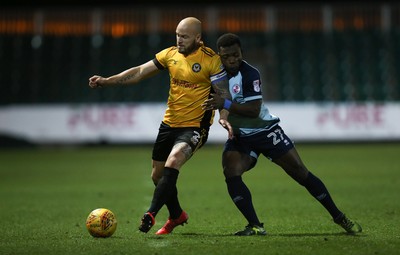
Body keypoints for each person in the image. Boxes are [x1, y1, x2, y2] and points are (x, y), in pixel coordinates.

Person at [202, 33, 362, 236]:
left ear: (241, 52)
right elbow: (216, 100)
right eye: (227, 56)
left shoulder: (250, 74)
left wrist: (223, 104)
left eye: (236, 54)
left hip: (266, 132)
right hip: (242, 137)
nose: (232, 59)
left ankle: (340, 218)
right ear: (219, 55)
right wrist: (221, 116)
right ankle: (255, 225)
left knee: (301, 173)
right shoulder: (215, 74)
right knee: (231, 171)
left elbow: (252, 109)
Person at [88, 17, 231, 235]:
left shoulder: (211, 60)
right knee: (157, 176)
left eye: (184, 36)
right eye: (177, 35)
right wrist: (106, 80)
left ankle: (151, 214)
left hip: (195, 127)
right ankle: (177, 215)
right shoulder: (169, 54)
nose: (179, 40)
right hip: (169, 124)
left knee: (172, 162)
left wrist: (224, 116)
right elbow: (139, 72)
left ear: (198, 38)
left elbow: (223, 93)